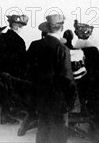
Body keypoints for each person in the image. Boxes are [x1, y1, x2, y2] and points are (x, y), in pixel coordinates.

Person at [27, 14, 76, 143]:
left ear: (47, 28)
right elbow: (67, 78)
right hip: (57, 99)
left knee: (43, 128)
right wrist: (71, 99)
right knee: (58, 132)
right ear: (62, 28)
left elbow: (28, 69)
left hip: (40, 95)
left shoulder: (35, 45)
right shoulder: (62, 49)